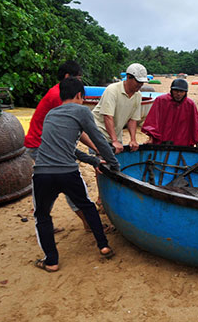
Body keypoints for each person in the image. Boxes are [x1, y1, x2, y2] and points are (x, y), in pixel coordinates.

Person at [32, 77, 120, 272]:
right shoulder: (81, 111)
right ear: (80, 95)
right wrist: (114, 164)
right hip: (67, 172)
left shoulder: (50, 115)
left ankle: (51, 260)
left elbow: (66, 149)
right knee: (87, 206)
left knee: (43, 215)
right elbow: (98, 139)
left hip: (42, 174)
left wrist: (94, 160)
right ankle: (103, 245)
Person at [24, 60, 97, 231]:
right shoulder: (60, 97)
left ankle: (48, 221)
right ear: (67, 77)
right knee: (71, 180)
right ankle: (88, 224)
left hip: (41, 143)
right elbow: (76, 129)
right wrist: (97, 148)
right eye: (78, 78)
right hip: (41, 145)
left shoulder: (58, 92)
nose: (80, 82)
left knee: (53, 184)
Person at [92, 63, 148, 154]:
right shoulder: (112, 90)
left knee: (116, 163)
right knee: (102, 163)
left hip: (116, 134)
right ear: (129, 77)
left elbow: (132, 119)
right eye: (138, 82)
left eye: (142, 82)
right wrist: (114, 141)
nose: (140, 85)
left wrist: (133, 139)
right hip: (99, 132)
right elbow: (108, 116)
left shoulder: (138, 96)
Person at [141, 78, 198, 146]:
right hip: (161, 142)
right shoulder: (161, 100)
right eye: (176, 91)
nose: (178, 94)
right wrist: (151, 138)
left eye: (181, 91)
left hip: (182, 144)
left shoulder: (190, 104)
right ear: (171, 90)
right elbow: (152, 121)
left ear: (185, 92)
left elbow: (195, 126)